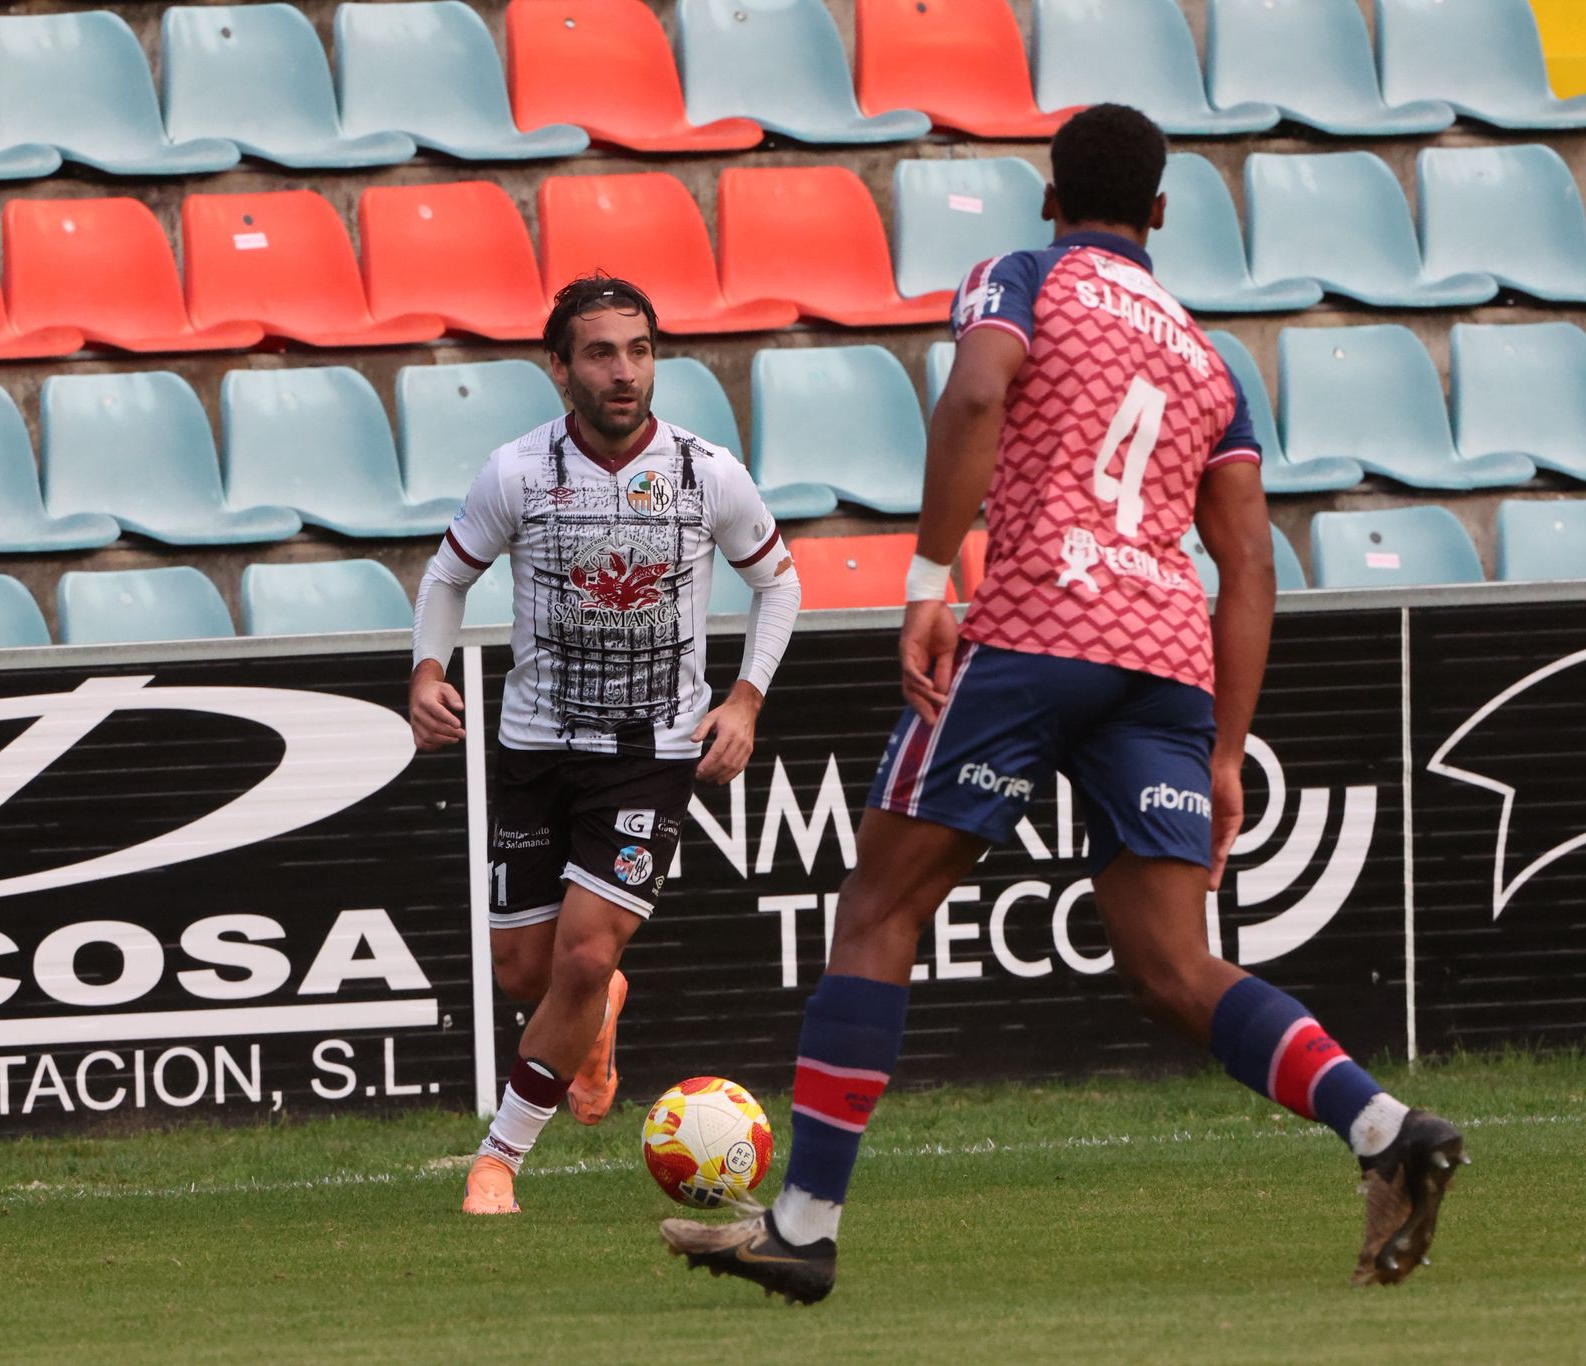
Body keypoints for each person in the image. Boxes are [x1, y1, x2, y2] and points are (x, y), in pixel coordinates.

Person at [661, 105, 1464, 1302]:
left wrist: (930, 579)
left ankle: (806, 1224)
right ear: (1158, 213)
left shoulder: (1022, 276)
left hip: (1040, 626)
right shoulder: (1207, 358)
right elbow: (1247, 563)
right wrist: (1228, 749)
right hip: (1164, 661)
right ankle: (1382, 1127)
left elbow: (977, 396)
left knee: (880, 904)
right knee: (1169, 962)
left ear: (1050, 196)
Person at [409, 275, 803, 1216]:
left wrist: (744, 700)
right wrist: (425, 675)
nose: (624, 372)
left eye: (639, 350)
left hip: (652, 748)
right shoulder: (516, 472)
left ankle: (499, 1158)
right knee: (527, 973)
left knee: (582, 957)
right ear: (560, 369)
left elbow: (779, 585)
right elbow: (445, 577)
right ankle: (598, 1015)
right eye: (600, 353)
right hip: (534, 742)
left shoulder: (709, 473)